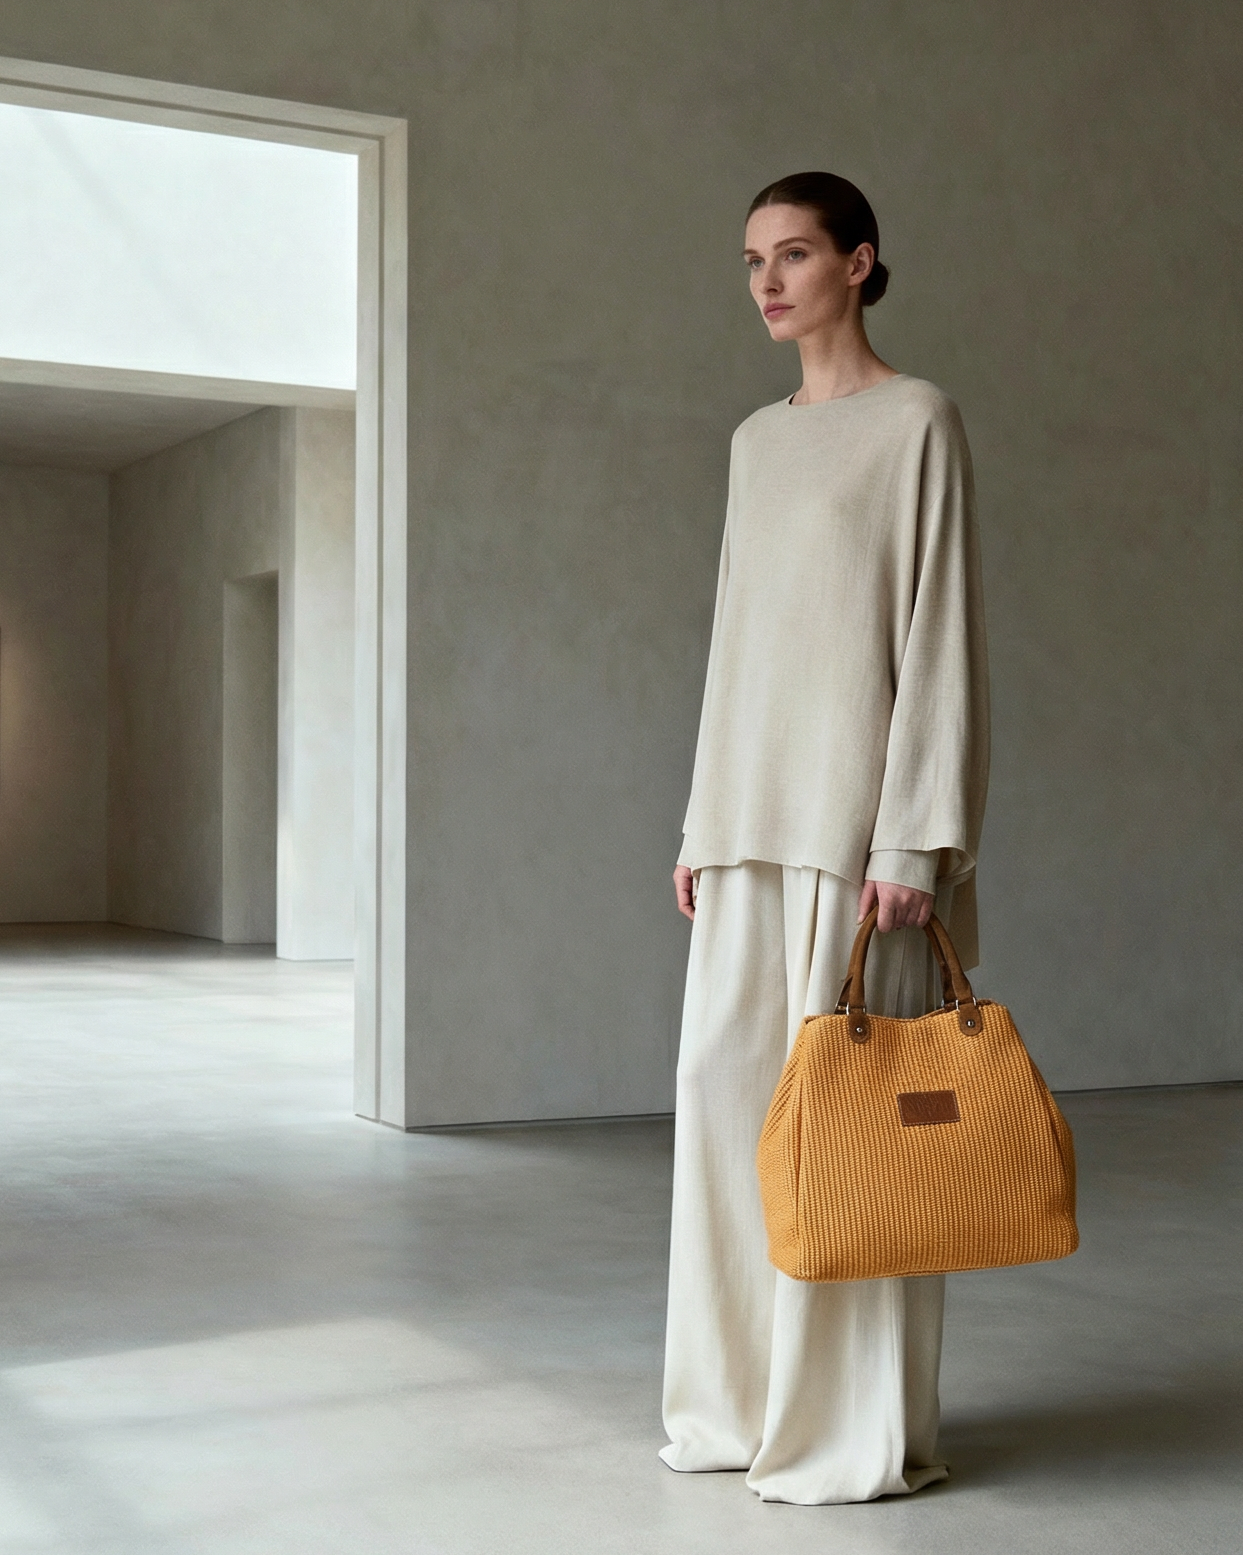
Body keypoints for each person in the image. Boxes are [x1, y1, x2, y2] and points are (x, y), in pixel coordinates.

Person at [661, 171, 990, 1505]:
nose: (768, 281)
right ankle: (737, 1405)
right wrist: (700, 819)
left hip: (860, 846)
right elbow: (736, 638)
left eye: (794, 254)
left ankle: (845, 1426)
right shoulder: (755, 441)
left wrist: (914, 846)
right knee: (725, 1110)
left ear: (859, 262)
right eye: (753, 259)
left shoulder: (918, 422)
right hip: (746, 825)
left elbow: (940, 636)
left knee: (856, 1139)